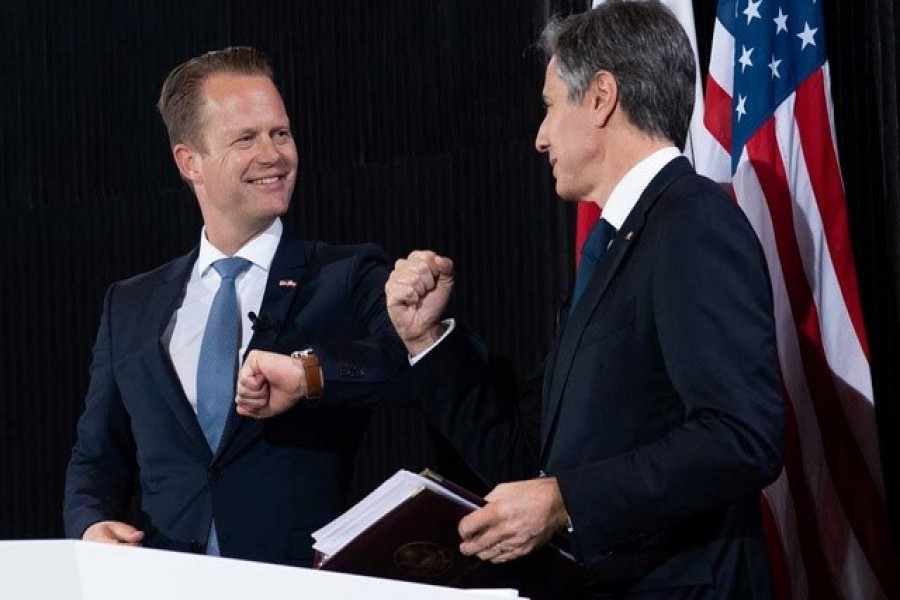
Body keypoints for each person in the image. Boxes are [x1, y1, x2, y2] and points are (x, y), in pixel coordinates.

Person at [384, 2, 784, 598]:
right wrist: (426, 340)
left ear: (600, 97)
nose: (540, 137)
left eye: (548, 107)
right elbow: (528, 457)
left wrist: (565, 500)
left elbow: (741, 436)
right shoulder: (614, 248)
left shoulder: (692, 221)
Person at [63, 46, 406, 567]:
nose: (273, 154)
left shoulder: (345, 276)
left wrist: (308, 375)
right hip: (168, 579)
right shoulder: (130, 305)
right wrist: (90, 524)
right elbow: (96, 456)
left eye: (281, 133)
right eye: (246, 138)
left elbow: (404, 365)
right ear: (189, 162)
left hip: (296, 581)